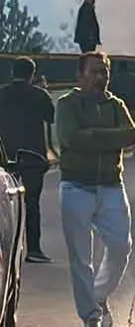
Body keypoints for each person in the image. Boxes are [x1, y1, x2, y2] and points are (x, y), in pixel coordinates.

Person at [57, 51, 135, 327]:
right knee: (80, 258)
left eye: (104, 72)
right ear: (80, 76)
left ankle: (99, 295)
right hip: (76, 187)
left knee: (120, 246)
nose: (100, 77)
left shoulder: (116, 105)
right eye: (94, 72)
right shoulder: (67, 104)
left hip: (112, 186)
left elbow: (131, 135)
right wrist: (108, 139)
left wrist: (92, 135)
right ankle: (90, 316)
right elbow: (70, 138)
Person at [0, 57, 56, 263]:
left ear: (12, 71)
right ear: (32, 73)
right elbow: (50, 117)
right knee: (32, 203)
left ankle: (5, 249)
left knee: (3, 205)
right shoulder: (39, 95)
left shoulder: (2, 93)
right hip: (33, 156)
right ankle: (33, 249)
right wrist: (44, 91)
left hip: (6, 157)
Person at [108, 61, 135, 160]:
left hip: (118, 109)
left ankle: (119, 151)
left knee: (118, 130)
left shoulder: (114, 79)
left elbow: (108, 94)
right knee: (133, 128)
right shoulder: (134, 78)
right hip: (132, 108)